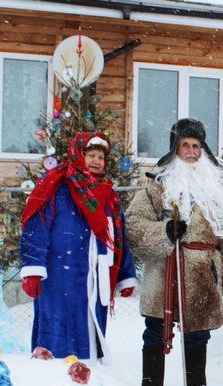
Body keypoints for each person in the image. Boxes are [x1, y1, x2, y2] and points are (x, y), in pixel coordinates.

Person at [125, 118, 223, 386]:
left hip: (204, 271)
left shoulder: (217, 192)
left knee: (198, 333)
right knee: (155, 330)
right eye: (185, 146)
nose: (191, 151)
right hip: (165, 269)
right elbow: (134, 223)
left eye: (196, 146)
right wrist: (165, 231)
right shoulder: (157, 188)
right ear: (175, 150)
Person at [19, 131, 137, 363]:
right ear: (78, 155)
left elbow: (118, 235)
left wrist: (125, 274)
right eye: (90, 155)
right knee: (57, 326)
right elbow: (37, 225)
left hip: (94, 274)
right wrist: (33, 267)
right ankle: (52, 380)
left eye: (100, 157)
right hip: (58, 274)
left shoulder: (107, 194)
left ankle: (87, 375)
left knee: (89, 327)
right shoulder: (56, 186)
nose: (96, 161)